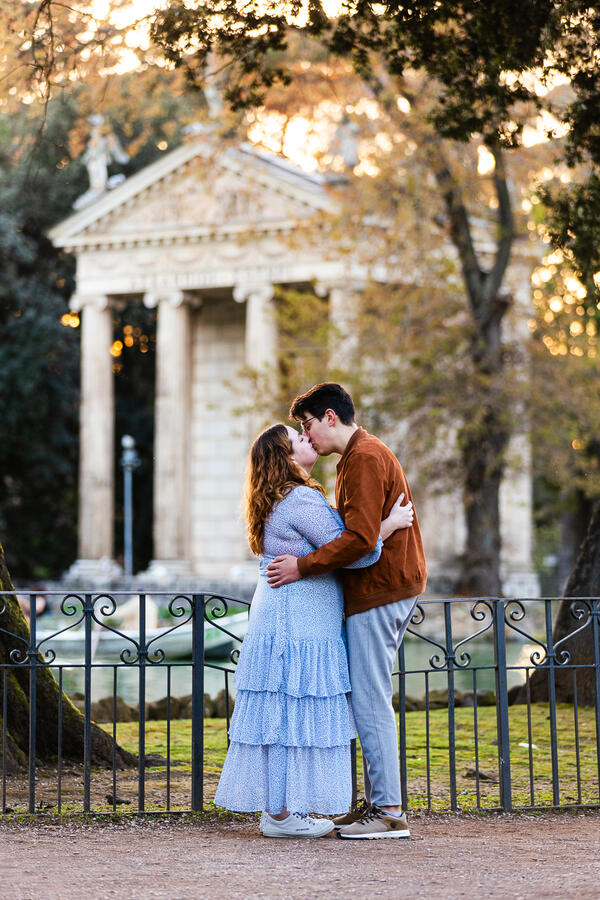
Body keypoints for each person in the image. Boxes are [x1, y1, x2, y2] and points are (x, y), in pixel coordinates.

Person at [214, 423, 413, 837]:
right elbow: (358, 551)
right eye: (297, 439)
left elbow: (332, 537)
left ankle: (279, 810)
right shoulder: (301, 498)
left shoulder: (277, 498)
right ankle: (286, 814)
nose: (307, 440)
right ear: (287, 458)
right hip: (300, 621)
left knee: (282, 712)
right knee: (295, 711)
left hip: (283, 616)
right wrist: (390, 525)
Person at [266, 383, 427, 840]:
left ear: (330, 418)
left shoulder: (364, 458)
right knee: (367, 695)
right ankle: (379, 803)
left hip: (382, 588)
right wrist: (385, 525)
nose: (307, 435)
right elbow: (359, 527)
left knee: (370, 698)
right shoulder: (358, 458)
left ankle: (389, 811)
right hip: (380, 587)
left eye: (308, 424)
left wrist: (302, 565)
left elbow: (357, 539)